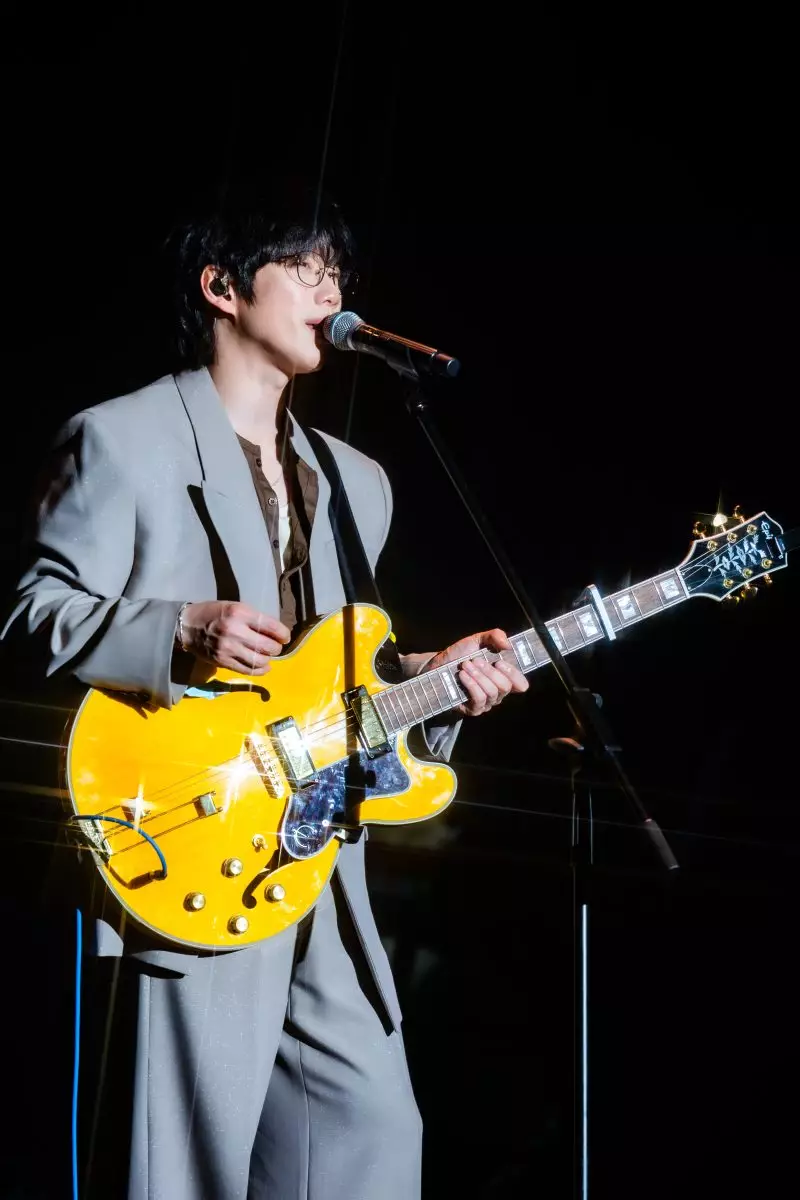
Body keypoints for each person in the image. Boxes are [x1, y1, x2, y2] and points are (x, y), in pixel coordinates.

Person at [0, 181, 528, 1199]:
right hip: (192, 844)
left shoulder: (357, 483)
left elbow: (334, 675)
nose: (332, 291)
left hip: (323, 866)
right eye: (306, 268)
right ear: (222, 287)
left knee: (372, 1143)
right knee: (181, 1168)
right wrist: (177, 630)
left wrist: (427, 679)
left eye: (339, 273)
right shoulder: (119, 438)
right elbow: (30, 618)